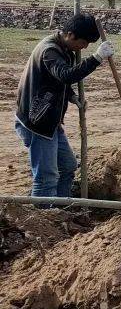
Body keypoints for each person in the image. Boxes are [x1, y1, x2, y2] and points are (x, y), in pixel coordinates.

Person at [15, 13, 115, 199]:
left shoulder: (65, 50)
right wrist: (96, 58)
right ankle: (44, 218)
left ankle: (60, 209)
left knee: (68, 166)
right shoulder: (50, 51)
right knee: (47, 177)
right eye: (83, 43)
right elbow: (65, 75)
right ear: (70, 34)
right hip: (37, 122)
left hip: (51, 122)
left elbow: (56, 81)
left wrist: (71, 96)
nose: (84, 47)